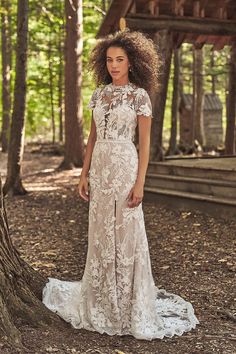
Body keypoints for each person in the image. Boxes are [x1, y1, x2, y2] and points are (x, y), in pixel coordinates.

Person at [42, 29, 200, 340]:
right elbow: (92, 137)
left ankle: (129, 305)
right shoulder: (99, 95)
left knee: (127, 233)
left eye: (120, 60)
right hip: (100, 167)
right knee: (101, 232)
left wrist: (140, 183)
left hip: (125, 166)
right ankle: (102, 301)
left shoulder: (140, 96)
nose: (114, 65)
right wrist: (83, 173)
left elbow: (143, 144)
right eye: (110, 60)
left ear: (132, 62)